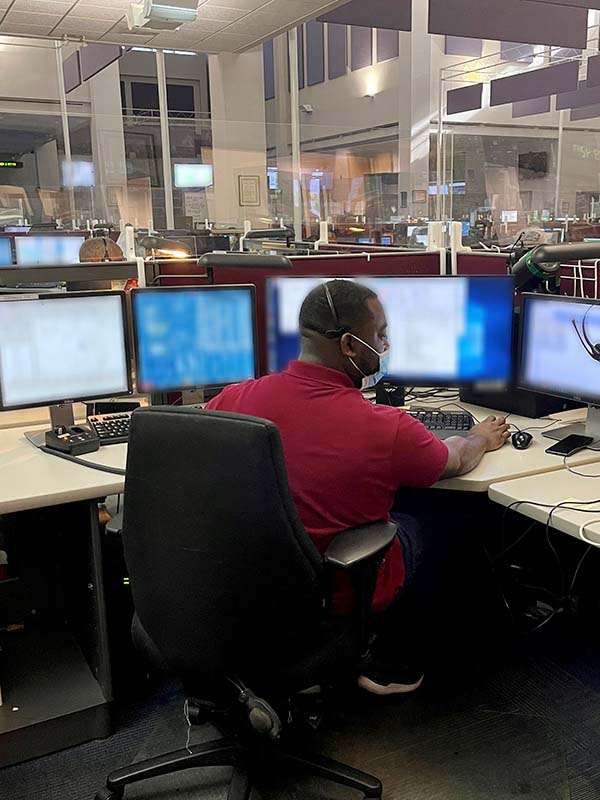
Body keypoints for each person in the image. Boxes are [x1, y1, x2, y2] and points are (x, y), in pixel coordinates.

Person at [205, 280, 510, 695]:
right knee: (447, 519)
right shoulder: (385, 426)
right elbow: (452, 461)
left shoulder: (233, 401)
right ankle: (395, 662)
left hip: (246, 585)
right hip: (337, 586)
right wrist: (479, 438)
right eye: (381, 334)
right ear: (350, 345)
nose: (386, 343)